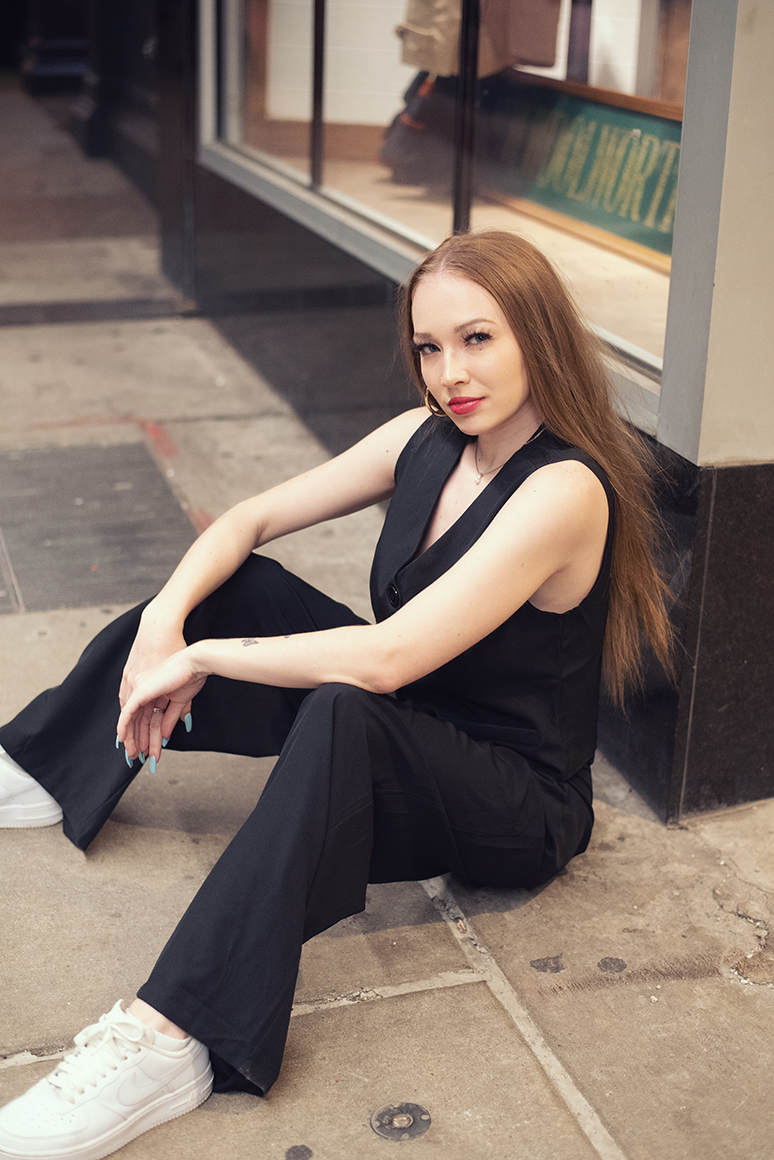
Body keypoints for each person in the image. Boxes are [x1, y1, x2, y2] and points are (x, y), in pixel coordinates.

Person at [0, 231, 673, 1159]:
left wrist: (209, 659)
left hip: (515, 802)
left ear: (538, 335)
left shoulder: (565, 490)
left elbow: (387, 660)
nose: (450, 373)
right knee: (237, 587)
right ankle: (44, 766)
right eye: (429, 347)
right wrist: (168, 620)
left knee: (341, 703)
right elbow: (252, 517)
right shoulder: (426, 438)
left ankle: (170, 1038)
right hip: (408, 718)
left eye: (478, 339)